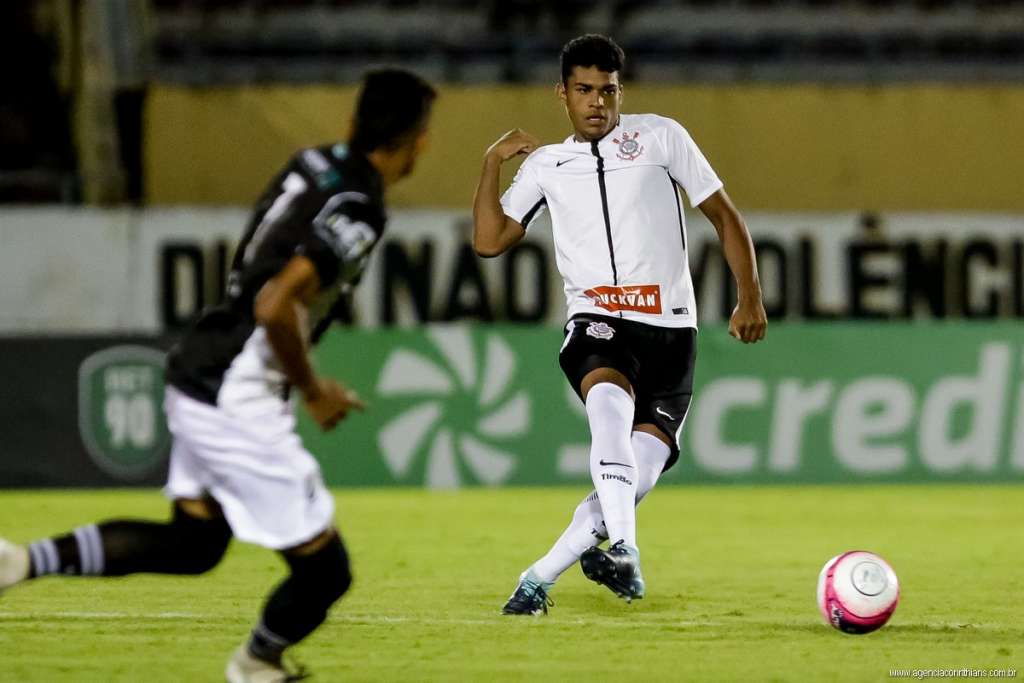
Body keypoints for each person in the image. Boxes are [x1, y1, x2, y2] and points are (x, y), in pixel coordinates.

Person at [0, 68, 436, 681]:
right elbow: (276, 304)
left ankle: (18, 562)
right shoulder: (360, 208)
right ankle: (255, 665)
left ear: (353, 122)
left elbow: (263, 270)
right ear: (417, 139)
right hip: (237, 390)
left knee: (194, 546)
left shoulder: (311, 163)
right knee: (325, 570)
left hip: (203, 366)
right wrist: (313, 390)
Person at [472, 34, 766, 614]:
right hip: (598, 319)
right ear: (563, 94)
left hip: (672, 329)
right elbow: (488, 241)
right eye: (584, 90)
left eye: (607, 90)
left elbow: (722, 214)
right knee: (606, 407)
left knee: (640, 476)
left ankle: (535, 580)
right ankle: (627, 548)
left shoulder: (662, 137)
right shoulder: (547, 166)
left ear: (620, 91)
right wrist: (489, 162)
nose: (597, 103)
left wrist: (749, 296)